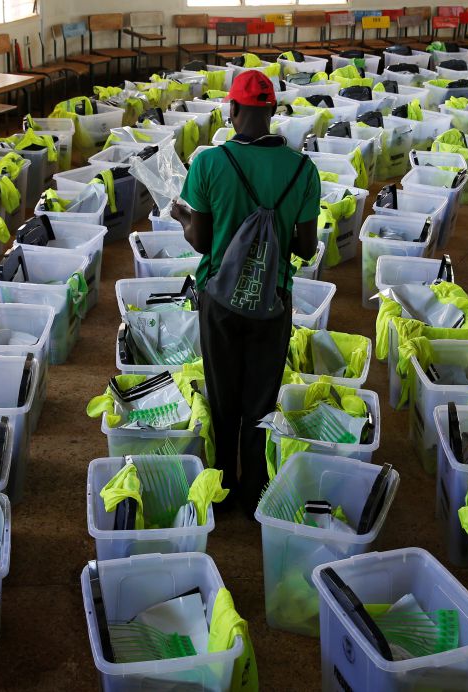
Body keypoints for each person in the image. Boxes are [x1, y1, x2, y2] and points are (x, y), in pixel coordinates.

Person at [174, 70, 320, 513]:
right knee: (260, 399)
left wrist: (183, 216)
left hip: (219, 301)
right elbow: (307, 249)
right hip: (272, 303)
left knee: (223, 398)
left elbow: (200, 241)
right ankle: (254, 490)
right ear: (273, 112)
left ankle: (220, 490)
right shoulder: (303, 170)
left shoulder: (209, 164)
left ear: (232, 111)